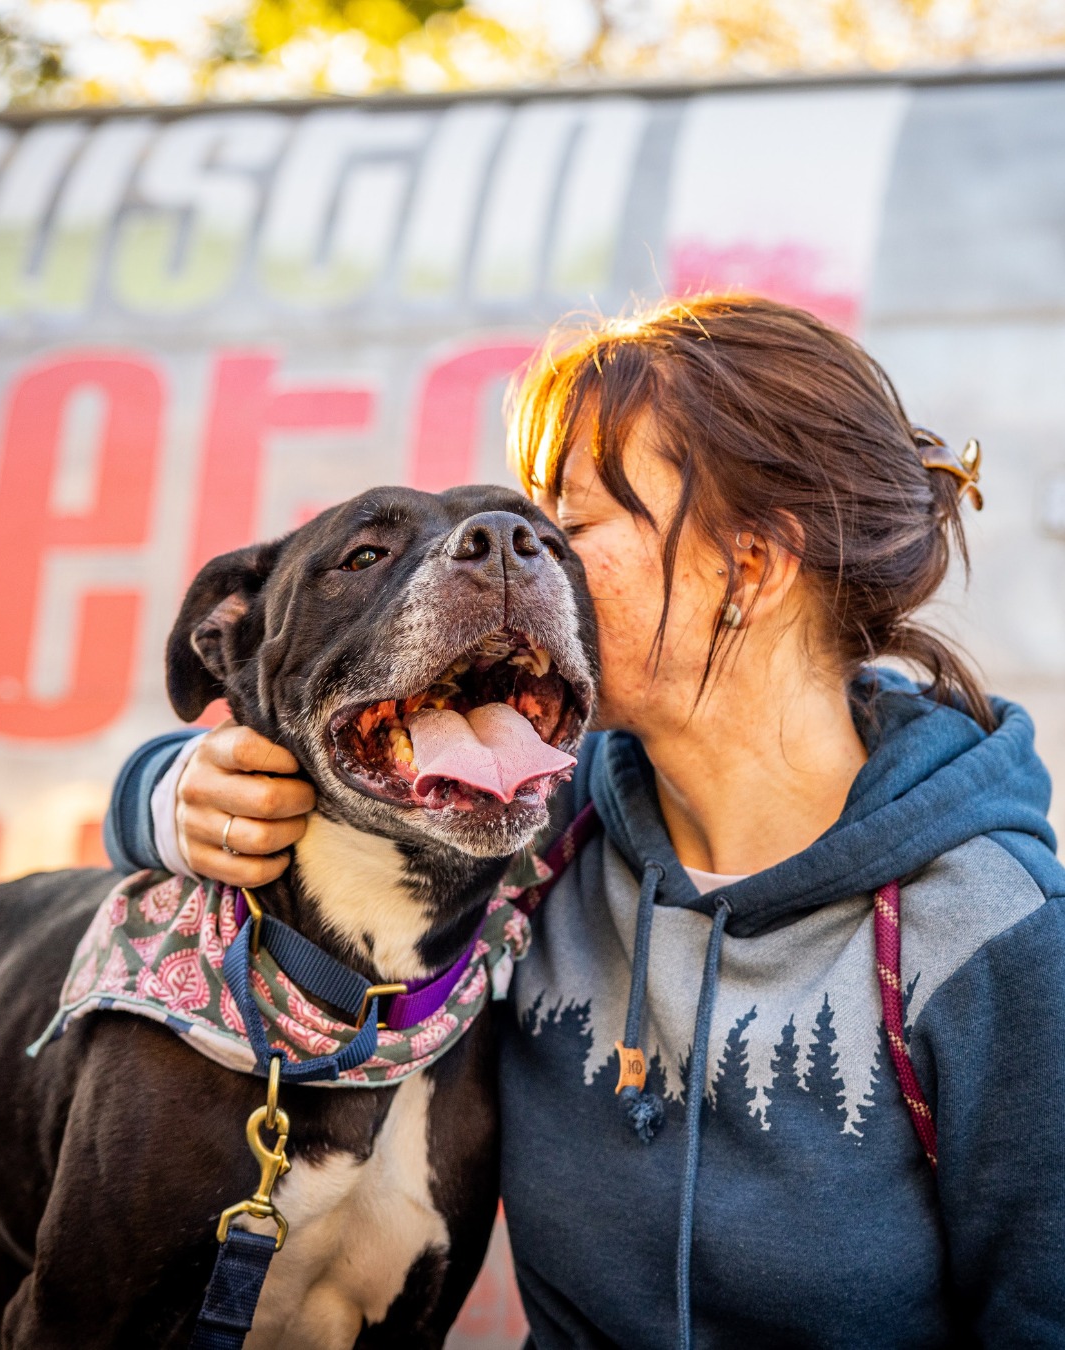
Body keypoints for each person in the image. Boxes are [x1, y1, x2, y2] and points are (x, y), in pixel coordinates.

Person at [106, 295, 1065, 1348]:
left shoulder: (993, 933)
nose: (524, 557)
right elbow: (296, 755)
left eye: (568, 525)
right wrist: (172, 794)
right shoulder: (535, 814)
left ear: (748, 569)